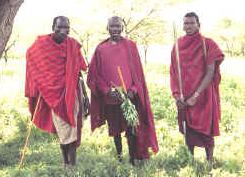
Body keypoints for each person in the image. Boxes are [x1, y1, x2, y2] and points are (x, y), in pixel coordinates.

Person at [87, 16, 158, 165]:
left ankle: (132, 158)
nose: (116, 30)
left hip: (129, 97)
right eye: (112, 27)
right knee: (115, 130)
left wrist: (133, 90)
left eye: (118, 26)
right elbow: (95, 76)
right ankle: (119, 156)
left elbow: (137, 74)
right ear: (107, 28)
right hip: (111, 98)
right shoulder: (101, 49)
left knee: (131, 128)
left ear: (122, 28)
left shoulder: (130, 46)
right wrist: (108, 91)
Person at [25, 16, 89, 169]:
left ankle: (71, 165)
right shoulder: (42, 45)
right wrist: (40, 83)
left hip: (72, 92)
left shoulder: (72, 45)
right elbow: (31, 58)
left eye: (66, 28)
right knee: (62, 129)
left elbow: (79, 72)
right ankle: (65, 161)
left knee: (72, 126)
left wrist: (86, 96)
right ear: (53, 26)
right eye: (60, 27)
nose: (63, 31)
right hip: (52, 94)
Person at [170, 12, 224, 162]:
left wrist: (196, 95)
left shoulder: (208, 44)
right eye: (186, 23)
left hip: (203, 94)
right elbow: (174, 72)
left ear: (198, 25)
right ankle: (190, 160)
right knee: (188, 129)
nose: (188, 26)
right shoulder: (177, 45)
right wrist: (176, 95)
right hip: (184, 95)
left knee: (207, 129)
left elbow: (211, 71)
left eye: (192, 23)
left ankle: (209, 161)